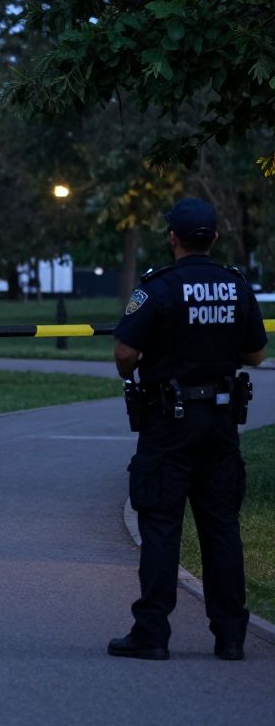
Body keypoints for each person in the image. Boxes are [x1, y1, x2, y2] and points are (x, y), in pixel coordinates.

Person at [108, 198, 268, 662]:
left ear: (172, 238)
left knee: (160, 526)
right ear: (213, 238)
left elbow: (124, 354)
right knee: (221, 527)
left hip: (167, 423)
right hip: (220, 422)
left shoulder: (157, 288)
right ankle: (232, 636)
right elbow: (256, 355)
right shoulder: (237, 287)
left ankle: (152, 634)